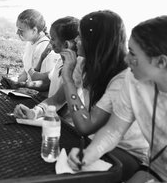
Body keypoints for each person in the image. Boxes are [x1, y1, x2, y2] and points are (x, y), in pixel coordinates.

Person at [14, 10, 149, 180]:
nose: (76, 40)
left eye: (80, 36)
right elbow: (57, 99)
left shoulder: (122, 79)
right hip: (94, 141)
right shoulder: (82, 63)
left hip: (126, 151)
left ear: (95, 42)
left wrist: (68, 79)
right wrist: (35, 112)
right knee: (40, 153)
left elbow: (86, 126)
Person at [68, 15, 167, 183]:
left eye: (133, 54)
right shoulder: (133, 79)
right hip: (156, 167)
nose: (126, 60)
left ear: (161, 62)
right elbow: (114, 130)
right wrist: (87, 156)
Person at [1, 9, 60, 91]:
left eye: (21, 30)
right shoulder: (30, 42)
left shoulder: (43, 48)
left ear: (34, 30)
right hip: (27, 89)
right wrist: (14, 84)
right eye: (17, 28)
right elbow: (26, 71)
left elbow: (45, 84)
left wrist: (20, 86)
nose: (17, 33)